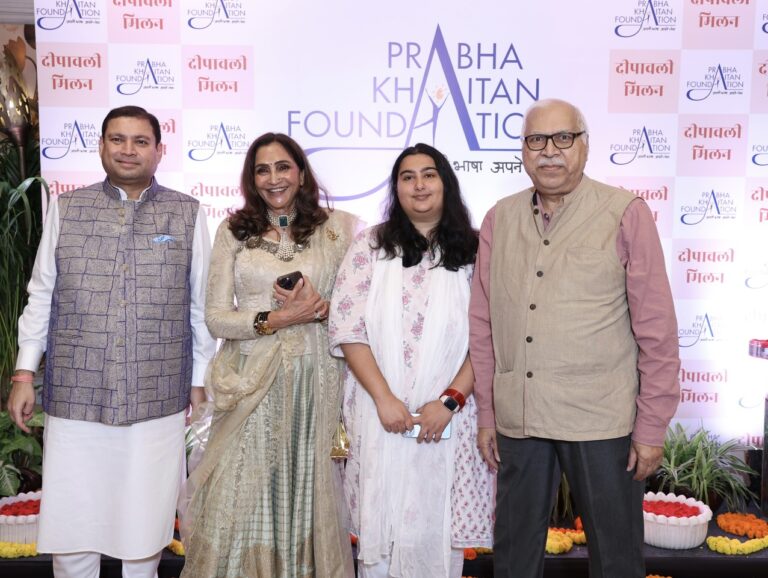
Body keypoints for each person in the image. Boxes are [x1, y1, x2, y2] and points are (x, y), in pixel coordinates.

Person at [469, 98, 681, 578]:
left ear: (584, 146)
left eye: (563, 138)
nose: (550, 152)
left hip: (600, 422)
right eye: (536, 140)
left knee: (616, 558)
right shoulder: (498, 220)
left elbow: (658, 331)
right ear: (523, 151)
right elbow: (482, 324)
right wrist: (487, 412)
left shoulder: (625, 213)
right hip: (519, 418)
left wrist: (651, 427)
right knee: (513, 558)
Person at [6, 105, 216, 578]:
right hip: (76, 397)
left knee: (143, 525)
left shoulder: (186, 213)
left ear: (159, 151)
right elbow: (41, 294)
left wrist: (200, 380)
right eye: (117, 139)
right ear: (101, 146)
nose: (128, 149)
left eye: (140, 141)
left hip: (155, 394)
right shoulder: (68, 208)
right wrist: (23, 372)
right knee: (75, 521)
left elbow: (200, 304)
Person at [179, 132, 358, 578]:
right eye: (263, 169)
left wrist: (320, 307)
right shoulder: (233, 232)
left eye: (283, 167)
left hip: (315, 380)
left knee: (306, 487)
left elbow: (358, 310)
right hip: (251, 381)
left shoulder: (338, 229)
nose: (274, 178)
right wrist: (274, 319)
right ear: (251, 177)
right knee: (244, 493)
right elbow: (217, 317)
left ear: (300, 173)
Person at [329, 143, 494, 578]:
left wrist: (449, 402)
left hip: (450, 417)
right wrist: (384, 399)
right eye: (407, 177)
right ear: (396, 188)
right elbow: (348, 328)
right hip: (378, 412)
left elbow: (489, 334)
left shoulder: (478, 250)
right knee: (378, 540)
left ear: (446, 183)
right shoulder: (371, 245)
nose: (419, 185)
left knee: (436, 536)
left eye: (429, 174)